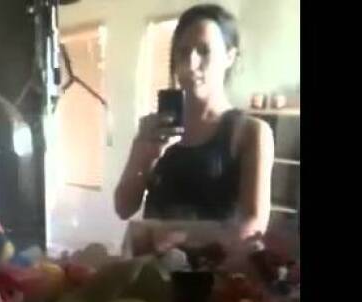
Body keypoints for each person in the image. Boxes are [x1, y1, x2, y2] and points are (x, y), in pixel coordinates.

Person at [114, 4, 275, 243]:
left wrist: (160, 232)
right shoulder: (155, 128)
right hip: (152, 265)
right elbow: (123, 208)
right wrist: (142, 154)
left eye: (204, 50)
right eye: (182, 51)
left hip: (214, 265)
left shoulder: (250, 132)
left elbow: (252, 226)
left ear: (229, 56)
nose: (190, 62)